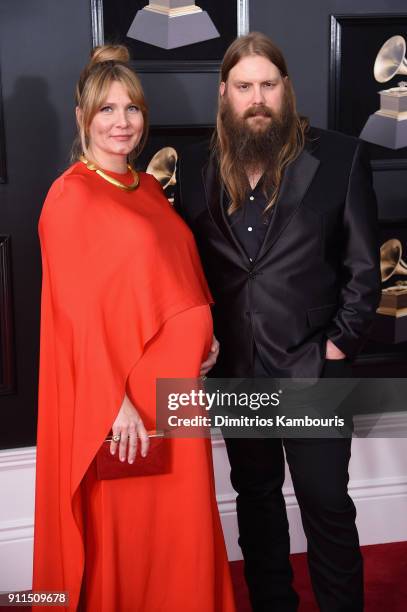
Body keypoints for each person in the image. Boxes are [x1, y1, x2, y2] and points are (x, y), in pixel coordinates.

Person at [177, 32, 381, 612]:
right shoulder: (196, 165)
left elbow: (365, 268)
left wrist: (339, 346)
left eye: (269, 84)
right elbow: (186, 266)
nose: (258, 97)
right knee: (257, 501)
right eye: (245, 87)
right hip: (238, 372)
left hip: (314, 367)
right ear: (224, 93)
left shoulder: (339, 155)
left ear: (286, 89)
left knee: (326, 505)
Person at [33, 45, 235, 612]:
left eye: (132, 108)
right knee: (131, 528)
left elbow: (168, 272)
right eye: (107, 110)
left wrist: (205, 329)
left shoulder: (146, 189)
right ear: (82, 116)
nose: (122, 122)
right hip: (127, 398)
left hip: (177, 393)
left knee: (183, 524)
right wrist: (112, 401)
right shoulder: (70, 196)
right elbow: (73, 314)